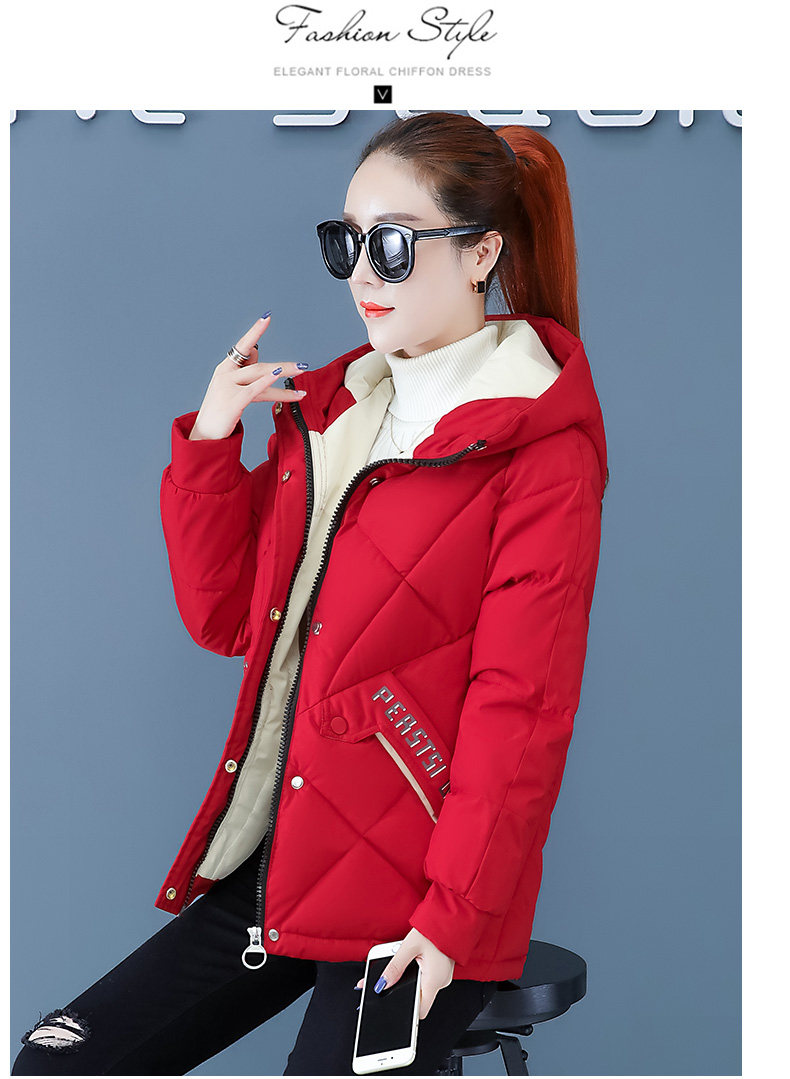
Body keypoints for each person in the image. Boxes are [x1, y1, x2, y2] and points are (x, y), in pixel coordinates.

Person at [13, 111, 608, 1076]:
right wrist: (212, 447)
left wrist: (451, 923)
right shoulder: (336, 416)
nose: (363, 273)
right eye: (347, 241)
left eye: (393, 243)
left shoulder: (542, 448)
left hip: (423, 903)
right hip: (289, 856)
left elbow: (521, 712)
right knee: (58, 1062)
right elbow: (228, 621)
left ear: (480, 253)